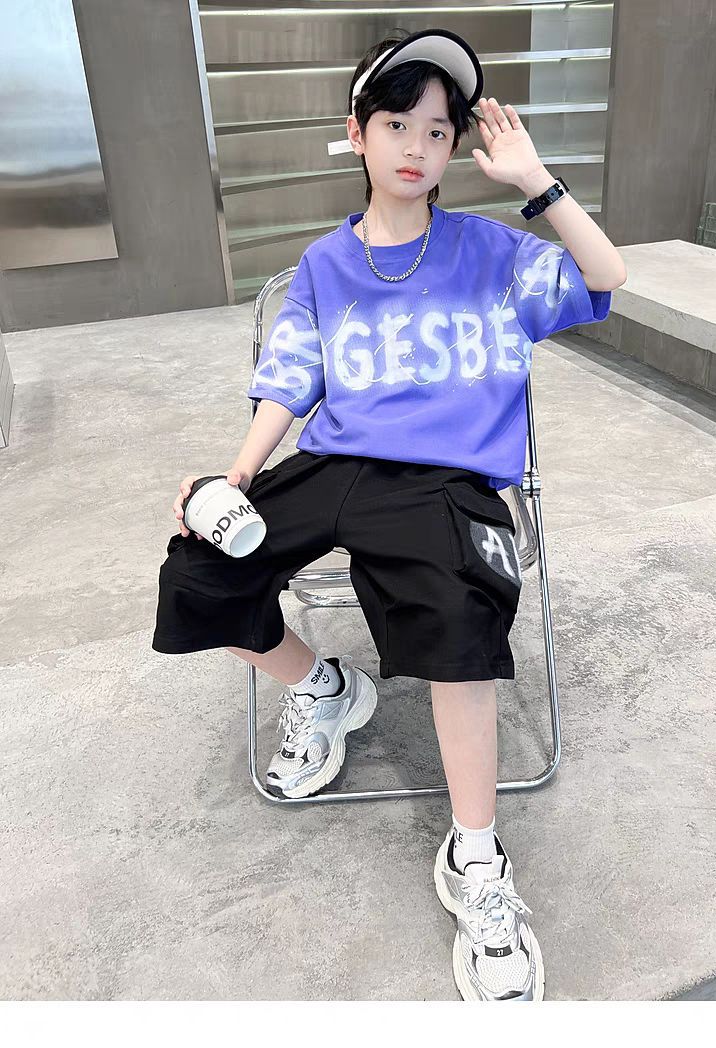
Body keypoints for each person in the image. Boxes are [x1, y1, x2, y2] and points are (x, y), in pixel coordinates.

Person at [152, 27, 627, 1001]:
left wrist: (537, 183)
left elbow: (603, 277)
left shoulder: (492, 252)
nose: (416, 146)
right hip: (337, 462)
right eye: (397, 124)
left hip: (449, 479)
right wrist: (235, 476)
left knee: (456, 621)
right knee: (197, 571)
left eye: (438, 130)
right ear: (358, 131)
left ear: (457, 146)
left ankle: (476, 856)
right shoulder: (324, 265)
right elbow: (290, 380)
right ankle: (324, 688)